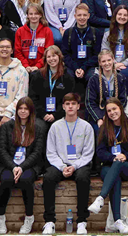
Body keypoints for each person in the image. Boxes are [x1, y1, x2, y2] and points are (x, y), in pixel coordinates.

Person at [41, 93, 94, 235]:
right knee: (48, 178)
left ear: (78, 106)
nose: (70, 106)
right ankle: (49, 221)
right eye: (67, 104)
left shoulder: (86, 127)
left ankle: (82, 221)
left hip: (79, 164)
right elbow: (51, 152)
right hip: (60, 165)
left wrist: (74, 166)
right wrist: (63, 166)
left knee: (83, 178)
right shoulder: (55, 127)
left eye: (73, 104)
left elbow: (88, 153)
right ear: (63, 106)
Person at [88, 99, 128, 233]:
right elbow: (100, 152)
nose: (112, 113)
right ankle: (118, 221)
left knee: (117, 166)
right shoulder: (104, 129)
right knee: (114, 178)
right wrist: (113, 158)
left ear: (121, 109)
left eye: (114, 109)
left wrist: (126, 156)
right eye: (109, 111)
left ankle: (101, 198)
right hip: (108, 166)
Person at [0, 97, 46, 235]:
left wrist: (22, 167)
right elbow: (1, 151)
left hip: (29, 165)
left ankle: (29, 217)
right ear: (16, 110)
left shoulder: (38, 127)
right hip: (9, 165)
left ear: (30, 111)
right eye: (20, 109)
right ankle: (0, 217)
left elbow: (37, 152)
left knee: (25, 180)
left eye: (26, 109)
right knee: (6, 180)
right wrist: (13, 167)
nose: (23, 112)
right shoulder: (7, 126)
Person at [28, 45, 76, 135]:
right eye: (48, 57)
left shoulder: (68, 76)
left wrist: (55, 115)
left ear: (59, 56)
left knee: (58, 128)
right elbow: (33, 98)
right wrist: (43, 114)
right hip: (41, 115)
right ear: (45, 59)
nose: (51, 59)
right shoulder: (38, 75)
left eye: (54, 56)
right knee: (39, 127)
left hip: (60, 114)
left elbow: (69, 99)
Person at [62, 4, 103, 97]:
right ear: (75, 16)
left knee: (93, 77)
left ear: (88, 16)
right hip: (72, 66)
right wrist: (76, 67)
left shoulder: (95, 32)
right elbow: (65, 54)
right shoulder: (68, 33)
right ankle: (70, 102)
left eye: (84, 15)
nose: (82, 18)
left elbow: (97, 55)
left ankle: (90, 102)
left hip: (89, 66)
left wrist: (84, 68)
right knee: (67, 76)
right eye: (79, 15)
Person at [86, 50, 128, 126]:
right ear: (100, 63)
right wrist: (99, 118)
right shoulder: (93, 79)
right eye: (103, 61)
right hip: (99, 113)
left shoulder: (121, 78)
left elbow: (123, 100)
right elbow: (90, 102)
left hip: (116, 114)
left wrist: (115, 115)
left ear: (113, 60)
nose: (107, 63)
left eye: (109, 60)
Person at [102, 6, 128, 85]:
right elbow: (104, 51)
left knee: (121, 76)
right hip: (110, 65)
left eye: (125, 15)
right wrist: (113, 64)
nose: (122, 17)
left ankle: (122, 97)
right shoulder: (108, 34)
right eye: (119, 14)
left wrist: (123, 63)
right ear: (115, 16)